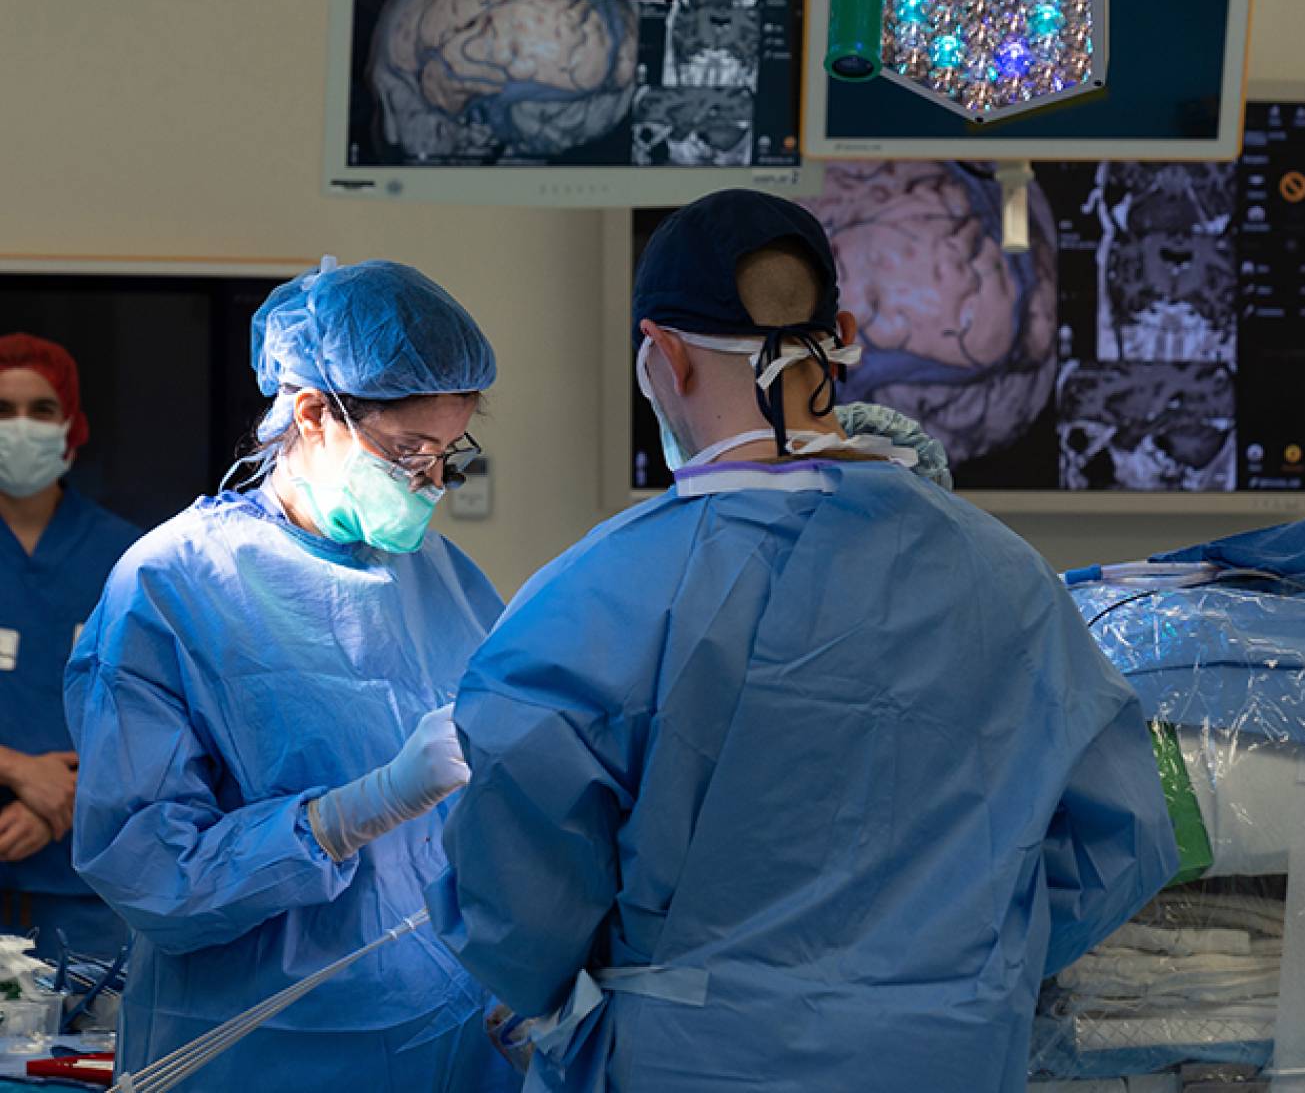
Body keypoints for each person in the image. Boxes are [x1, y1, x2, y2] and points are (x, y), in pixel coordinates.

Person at [429, 190, 1179, 1092]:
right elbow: (1127, 835)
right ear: (844, 334)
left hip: (692, 1064)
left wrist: (570, 1003)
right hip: (948, 1059)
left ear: (661, 356)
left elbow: (514, 900)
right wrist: (953, 977)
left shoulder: (593, 599)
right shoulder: (1007, 577)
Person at [65, 260, 520, 1092]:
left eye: (446, 455)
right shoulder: (172, 587)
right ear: (313, 412)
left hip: (453, 1039)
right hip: (262, 1049)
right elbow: (146, 872)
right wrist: (353, 812)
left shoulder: (443, 577)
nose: (427, 482)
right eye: (408, 450)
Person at [0, 333, 138, 958]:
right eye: (2, 411)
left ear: (70, 425)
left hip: (88, 891)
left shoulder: (130, 559)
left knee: (86, 1051)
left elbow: (157, 711)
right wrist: (18, 770)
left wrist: (69, 795)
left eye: (41, 410)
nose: (20, 427)